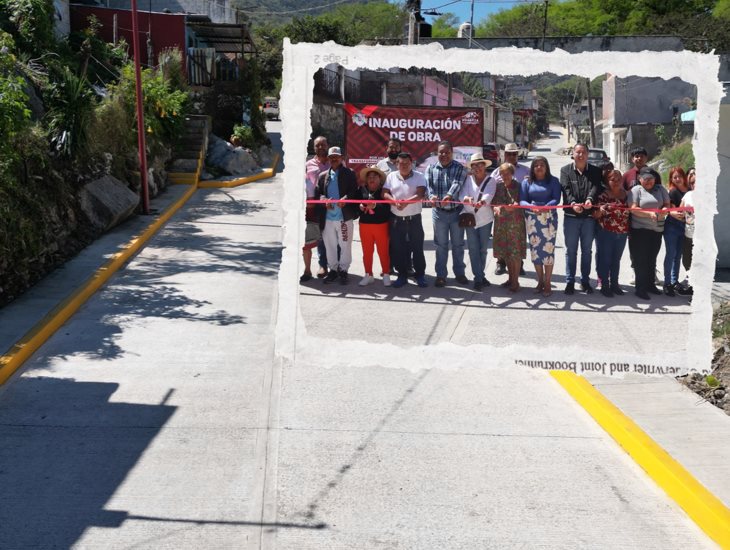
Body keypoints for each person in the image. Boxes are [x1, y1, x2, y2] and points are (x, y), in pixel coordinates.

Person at [559, 143, 603, 294]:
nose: (580, 155)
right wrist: (572, 203)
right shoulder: (565, 171)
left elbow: (596, 187)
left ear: (588, 154)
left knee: (587, 251)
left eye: (583, 152)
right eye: (577, 152)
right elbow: (566, 189)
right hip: (571, 217)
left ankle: (585, 281)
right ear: (573, 154)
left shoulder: (596, 171)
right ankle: (570, 281)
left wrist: (590, 199)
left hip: (589, 218)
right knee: (571, 251)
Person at [314, 146, 360, 284]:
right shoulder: (322, 176)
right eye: (331, 157)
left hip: (344, 217)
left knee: (345, 245)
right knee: (330, 245)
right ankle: (333, 270)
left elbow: (355, 191)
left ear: (342, 158)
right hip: (327, 218)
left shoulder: (349, 173)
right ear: (328, 159)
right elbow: (318, 194)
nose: (334, 159)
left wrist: (346, 198)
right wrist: (324, 201)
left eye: (337, 156)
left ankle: (344, 270)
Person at [426, 140, 468, 288]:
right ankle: (441, 275)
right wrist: (431, 196)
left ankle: (459, 273)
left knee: (458, 245)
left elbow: (457, 183)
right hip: (438, 213)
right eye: (441, 152)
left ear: (452, 153)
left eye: (446, 152)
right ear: (437, 153)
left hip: (456, 212)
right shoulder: (430, 168)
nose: (443, 155)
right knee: (440, 245)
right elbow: (428, 186)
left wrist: (449, 195)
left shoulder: (460, 167)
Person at [383, 152, 428, 288]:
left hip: (414, 219)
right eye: (401, 163)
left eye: (406, 163)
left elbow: (420, 194)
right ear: (397, 164)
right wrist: (394, 201)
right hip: (396, 219)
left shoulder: (419, 176)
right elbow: (384, 192)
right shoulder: (391, 176)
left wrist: (405, 202)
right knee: (398, 249)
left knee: (417, 248)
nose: (403, 166)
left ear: (411, 163)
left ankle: (420, 275)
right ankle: (402, 275)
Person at [520, 156, 561, 297]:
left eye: (542, 164)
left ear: (546, 167)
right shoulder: (526, 182)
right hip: (532, 219)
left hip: (548, 218)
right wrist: (532, 207)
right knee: (535, 251)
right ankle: (540, 281)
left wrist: (545, 207)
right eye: (536, 165)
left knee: (548, 252)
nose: (539, 167)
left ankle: (548, 282)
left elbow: (556, 198)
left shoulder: (554, 181)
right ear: (532, 168)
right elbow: (522, 200)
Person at [628, 167, 670, 300]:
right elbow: (633, 209)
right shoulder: (636, 190)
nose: (648, 182)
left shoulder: (660, 189)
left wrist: (664, 210)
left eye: (651, 179)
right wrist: (649, 214)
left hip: (657, 230)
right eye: (645, 179)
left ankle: (650, 285)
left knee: (652, 259)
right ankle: (640, 288)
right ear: (640, 179)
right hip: (640, 230)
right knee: (641, 260)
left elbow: (667, 204)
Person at [460, 152, 497, 291]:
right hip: (470, 218)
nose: (477, 168)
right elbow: (462, 193)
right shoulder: (468, 180)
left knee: (483, 250)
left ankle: (480, 276)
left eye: (479, 165)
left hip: (485, 219)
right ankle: (478, 278)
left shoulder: (491, 180)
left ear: (484, 166)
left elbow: (489, 194)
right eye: (474, 166)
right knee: (473, 249)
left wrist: (482, 201)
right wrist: (466, 199)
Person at [491, 143, 529, 276]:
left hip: (517, 214)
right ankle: (501, 263)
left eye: (514, 154)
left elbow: (530, 189)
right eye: (509, 154)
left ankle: (519, 266)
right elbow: (491, 192)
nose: (512, 156)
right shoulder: (496, 172)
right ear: (504, 155)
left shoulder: (526, 171)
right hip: (501, 214)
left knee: (517, 241)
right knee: (501, 239)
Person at [593, 169, 630, 297]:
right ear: (607, 181)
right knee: (605, 259)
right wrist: (602, 210)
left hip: (622, 232)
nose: (616, 182)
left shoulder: (626, 195)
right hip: (606, 232)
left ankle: (615, 284)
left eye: (618, 179)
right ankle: (604, 285)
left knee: (616, 259)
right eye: (612, 179)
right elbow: (596, 215)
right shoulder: (603, 195)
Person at [491, 163, 526, 292]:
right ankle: (511, 279)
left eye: (507, 173)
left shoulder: (519, 186)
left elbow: (522, 201)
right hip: (501, 225)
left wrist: (516, 205)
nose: (505, 176)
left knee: (515, 254)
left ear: (512, 173)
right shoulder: (498, 186)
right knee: (506, 253)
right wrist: (495, 208)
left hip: (515, 225)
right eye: (502, 173)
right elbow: (493, 203)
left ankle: (515, 282)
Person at [357, 166, 391, 287]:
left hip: (381, 225)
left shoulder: (384, 191)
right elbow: (355, 205)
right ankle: (368, 274)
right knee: (367, 252)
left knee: (383, 251)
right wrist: (360, 206)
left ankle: (386, 274)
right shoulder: (361, 190)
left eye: (374, 177)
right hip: (364, 225)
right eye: (369, 177)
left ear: (379, 179)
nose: (371, 179)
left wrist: (375, 206)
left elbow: (388, 209)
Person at [302, 136, 330, 281]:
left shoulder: (335, 162)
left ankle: (329, 266)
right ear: (313, 148)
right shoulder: (308, 164)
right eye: (317, 145)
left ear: (327, 146)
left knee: (329, 237)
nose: (320, 147)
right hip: (311, 206)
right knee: (310, 239)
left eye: (323, 145)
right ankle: (309, 270)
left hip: (331, 205)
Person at [662, 167, 690, 296]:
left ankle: (674, 281)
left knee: (678, 256)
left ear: (684, 177)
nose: (677, 179)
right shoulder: (672, 192)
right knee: (670, 254)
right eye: (674, 177)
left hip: (685, 227)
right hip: (672, 226)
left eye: (679, 176)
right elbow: (671, 209)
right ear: (671, 179)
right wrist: (675, 213)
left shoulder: (690, 191)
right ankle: (667, 283)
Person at [678, 167, 696, 295]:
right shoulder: (688, 195)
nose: (694, 184)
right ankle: (691, 286)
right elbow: (680, 209)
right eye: (692, 182)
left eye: (696, 182)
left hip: (702, 236)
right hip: (688, 233)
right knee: (687, 261)